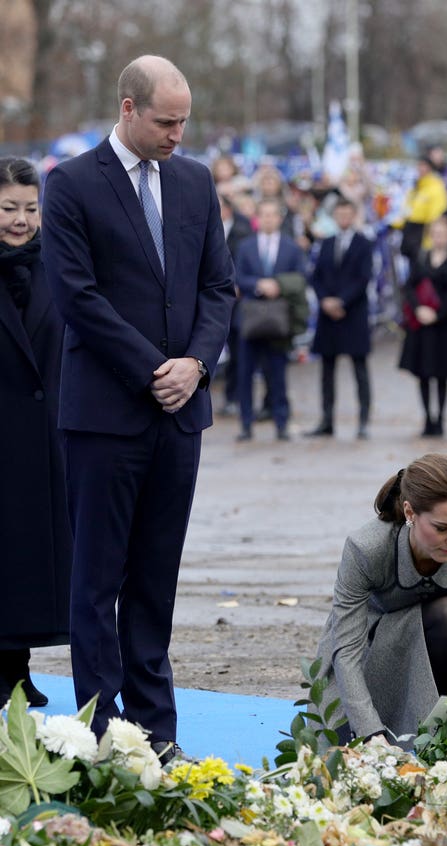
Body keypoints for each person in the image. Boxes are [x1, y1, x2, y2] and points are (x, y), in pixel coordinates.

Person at [41, 56, 235, 761]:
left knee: (156, 578)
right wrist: (153, 368)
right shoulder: (69, 185)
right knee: (96, 580)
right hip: (104, 414)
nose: (178, 135)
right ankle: (103, 731)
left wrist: (197, 364)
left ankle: (159, 730)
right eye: (166, 121)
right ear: (128, 109)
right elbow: (76, 295)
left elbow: (219, 286)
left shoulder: (194, 181)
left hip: (180, 414)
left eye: (185, 121)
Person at [314, 453, 447, 746]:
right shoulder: (365, 548)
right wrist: (369, 731)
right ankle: (398, 729)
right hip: (376, 654)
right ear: (410, 513)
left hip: (446, 648)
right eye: (442, 528)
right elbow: (347, 649)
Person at [0, 157, 72, 708]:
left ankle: (19, 671)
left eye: (29, 208)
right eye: (8, 208)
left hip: (44, 433)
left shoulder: (58, 264)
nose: (20, 220)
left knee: (31, 559)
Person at [234, 197, 307, 441]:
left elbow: (300, 276)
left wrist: (278, 285)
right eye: (263, 214)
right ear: (257, 218)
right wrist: (258, 284)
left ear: (279, 218)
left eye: (272, 214)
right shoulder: (245, 246)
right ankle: (246, 424)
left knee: (277, 372)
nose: (268, 219)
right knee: (245, 373)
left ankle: (281, 422)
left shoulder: (291, 247)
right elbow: (236, 275)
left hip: (279, 319)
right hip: (250, 318)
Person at [306, 198, 374, 440]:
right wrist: (325, 300)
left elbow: (363, 278)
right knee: (327, 369)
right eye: (339, 213)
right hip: (328, 316)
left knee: (360, 368)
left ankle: (364, 421)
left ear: (354, 215)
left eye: (348, 213)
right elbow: (315, 276)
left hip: (353, 313)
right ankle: (326, 420)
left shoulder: (364, 243)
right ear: (334, 216)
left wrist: (342, 301)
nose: (343, 217)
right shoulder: (326, 243)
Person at [399, 215, 447, 437]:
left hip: (443, 325)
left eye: (443, 234)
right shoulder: (421, 258)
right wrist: (419, 309)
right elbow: (409, 287)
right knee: (424, 372)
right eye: (435, 233)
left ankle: (441, 418)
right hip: (422, 325)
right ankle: (427, 417)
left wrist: (438, 314)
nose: (439, 238)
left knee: (442, 372)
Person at [217, 194, 253, 416]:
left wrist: (236, 285)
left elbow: (243, 261)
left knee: (239, 352)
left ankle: (237, 397)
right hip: (211, 298)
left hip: (237, 301)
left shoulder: (242, 231)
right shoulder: (201, 225)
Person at [398, 155, 447, 266]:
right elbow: (407, 212)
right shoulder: (416, 187)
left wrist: (429, 242)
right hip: (410, 235)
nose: (421, 169)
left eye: (424, 166)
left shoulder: (436, 187)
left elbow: (435, 216)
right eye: (419, 166)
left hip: (421, 235)